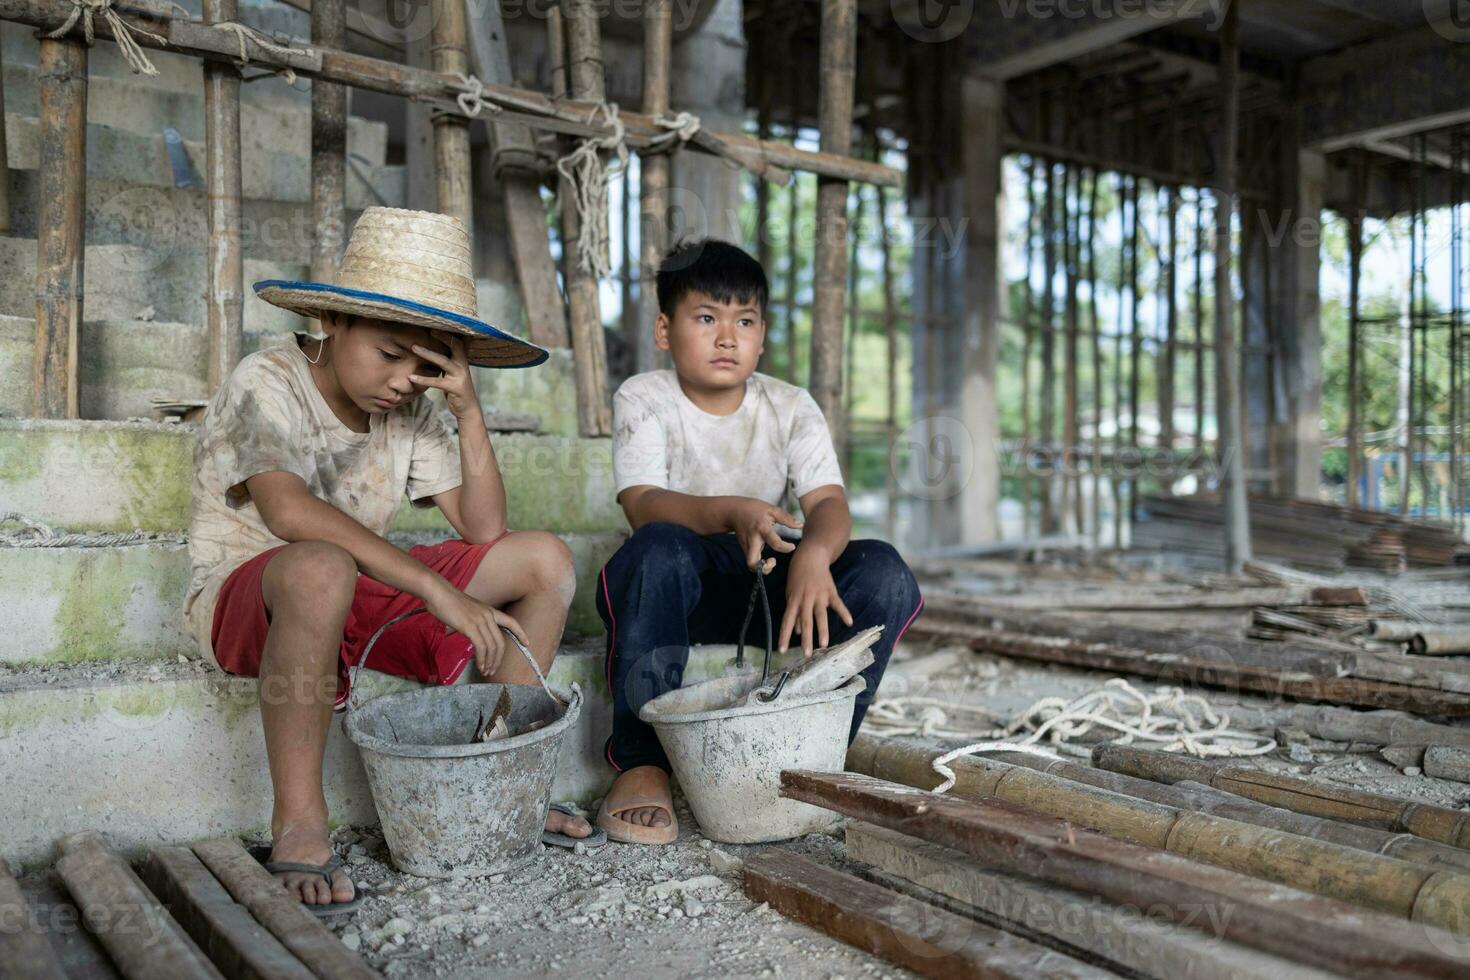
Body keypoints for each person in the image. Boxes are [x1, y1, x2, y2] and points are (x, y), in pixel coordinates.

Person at [184, 207, 592, 913]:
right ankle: (301, 827)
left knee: (544, 560)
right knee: (320, 567)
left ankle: (505, 785)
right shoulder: (266, 380)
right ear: (333, 325)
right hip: (254, 595)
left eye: (426, 362)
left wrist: (466, 410)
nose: (405, 378)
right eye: (390, 351)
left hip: (357, 591)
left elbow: (484, 526)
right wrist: (436, 590)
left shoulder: (415, 409)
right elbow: (288, 515)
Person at [594, 239, 924, 844]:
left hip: (774, 592)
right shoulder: (644, 396)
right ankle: (641, 762)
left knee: (885, 571)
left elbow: (827, 503)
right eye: (706, 318)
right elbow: (642, 504)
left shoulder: (790, 405)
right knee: (656, 550)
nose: (727, 337)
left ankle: (819, 746)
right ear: (665, 331)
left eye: (744, 321)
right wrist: (731, 511)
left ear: (762, 335)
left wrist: (816, 555)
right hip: (680, 592)